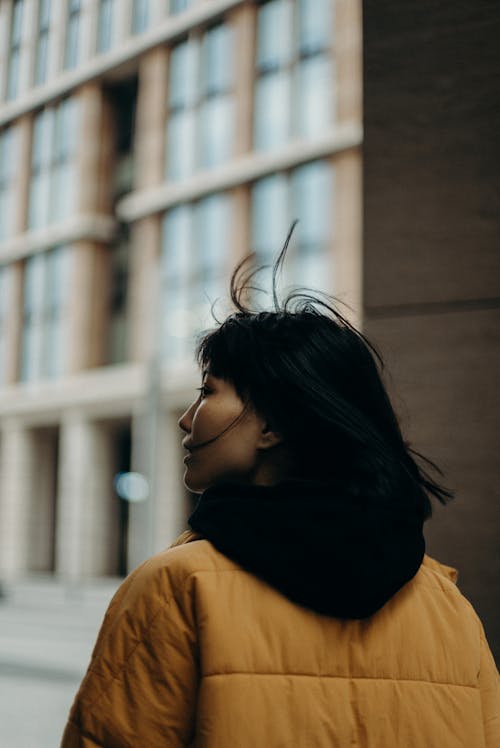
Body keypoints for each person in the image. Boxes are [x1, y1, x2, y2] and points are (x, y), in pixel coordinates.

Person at [61, 228, 499, 747]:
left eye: (207, 392)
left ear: (272, 425)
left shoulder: (177, 589)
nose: (185, 419)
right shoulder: (448, 608)